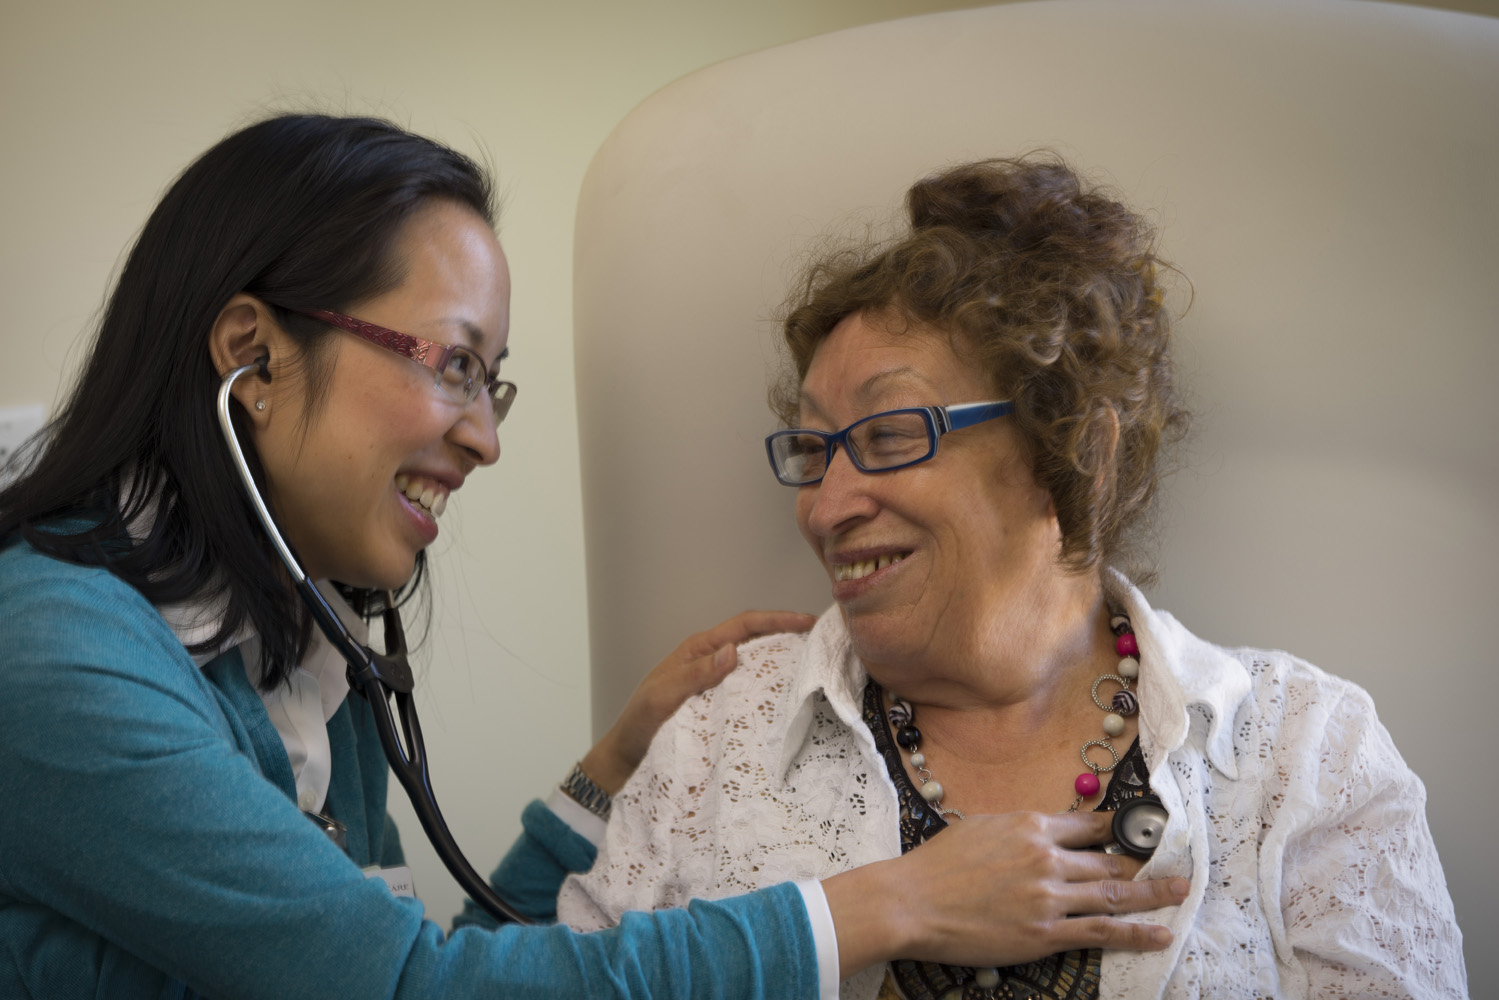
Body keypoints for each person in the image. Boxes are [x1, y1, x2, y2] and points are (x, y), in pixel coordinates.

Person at [0, 118, 1187, 1000]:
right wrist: (885, 904)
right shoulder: (54, 658)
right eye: (453, 364)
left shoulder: (300, 655)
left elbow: (428, 960)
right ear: (252, 357)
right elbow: (414, 989)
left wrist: (607, 765)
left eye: (492, 381)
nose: (485, 435)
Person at [556, 155, 1468, 998]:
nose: (826, 507)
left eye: (889, 434)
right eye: (814, 448)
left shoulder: (1306, 756)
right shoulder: (715, 734)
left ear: (1076, 455)